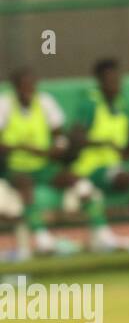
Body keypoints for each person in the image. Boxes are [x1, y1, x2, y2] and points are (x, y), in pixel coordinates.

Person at [68, 58, 129, 249]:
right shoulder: (90, 104)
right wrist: (103, 143)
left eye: (117, 79)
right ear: (100, 82)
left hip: (117, 166)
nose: (115, 84)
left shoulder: (122, 105)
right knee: (128, 178)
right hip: (92, 168)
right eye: (110, 80)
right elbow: (75, 137)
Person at [0, 68, 75, 255]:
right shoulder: (5, 105)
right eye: (23, 87)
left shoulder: (45, 102)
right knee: (25, 185)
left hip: (44, 165)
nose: (28, 91)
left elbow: (59, 136)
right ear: (15, 88)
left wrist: (58, 148)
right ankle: (41, 238)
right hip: (16, 167)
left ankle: (101, 235)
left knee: (75, 179)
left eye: (31, 86)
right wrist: (23, 148)